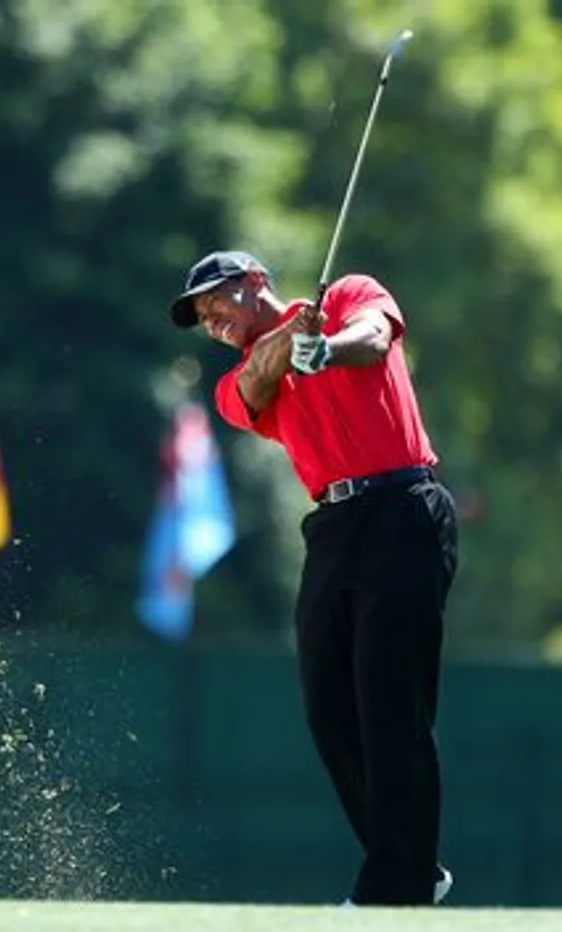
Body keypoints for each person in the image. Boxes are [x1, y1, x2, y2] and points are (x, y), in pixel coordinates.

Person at [168, 250, 458, 907]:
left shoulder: (350, 296)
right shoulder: (239, 384)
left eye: (217, 301)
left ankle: (395, 882)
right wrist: (289, 342)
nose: (212, 321)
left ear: (256, 282)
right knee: (329, 707)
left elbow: (374, 338)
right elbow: (255, 383)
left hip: (405, 509)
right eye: (202, 317)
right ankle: (414, 865)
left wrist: (326, 348)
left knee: (391, 700)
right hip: (332, 526)